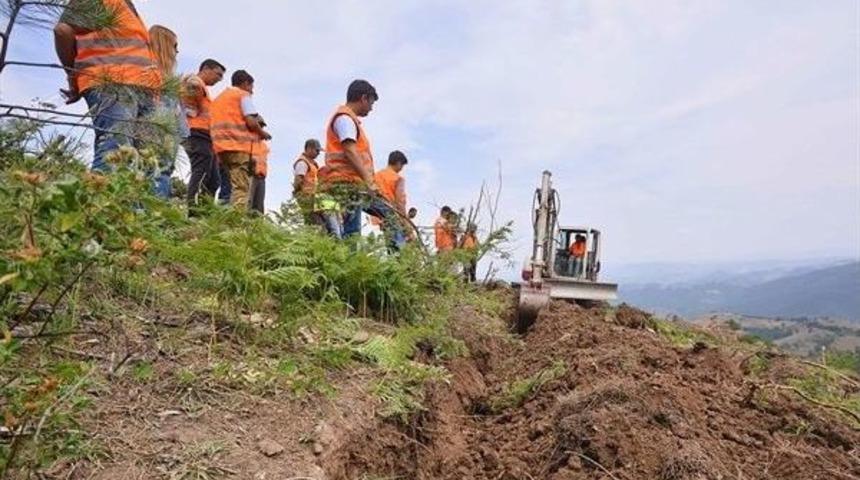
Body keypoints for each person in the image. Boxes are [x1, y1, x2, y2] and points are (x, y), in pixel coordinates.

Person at [54, 0, 162, 172]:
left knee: (142, 158)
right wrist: (72, 75)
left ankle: (124, 199)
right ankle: (99, 197)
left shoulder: (127, 7)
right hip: (112, 83)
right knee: (115, 149)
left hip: (142, 88)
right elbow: (62, 31)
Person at [320, 80, 405, 248]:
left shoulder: (350, 120)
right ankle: (352, 268)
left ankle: (398, 258)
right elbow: (350, 151)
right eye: (371, 102)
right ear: (364, 98)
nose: (372, 108)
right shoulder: (345, 119)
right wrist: (368, 181)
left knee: (388, 214)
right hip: (346, 184)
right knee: (351, 233)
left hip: (356, 185)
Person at [210, 70, 271, 210]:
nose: (252, 91)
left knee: (227, 186)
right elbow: (251, 121)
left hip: (220, 148)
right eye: (251, 87)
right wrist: (262, 133)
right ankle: (235, 223)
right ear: (245, 83)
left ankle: (220, 218)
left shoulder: (219, 98)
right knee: (241, 188)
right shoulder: (242, 95)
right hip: (237, 147)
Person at [147, 25, 187, 199]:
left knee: (162, 171)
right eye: (174, 46)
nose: (177, 52)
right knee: (157, 170)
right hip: (156, 129)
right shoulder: (149, 72)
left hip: (169, 131)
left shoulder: (169, 78)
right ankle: (152, 218)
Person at [181, 58, 226, 211]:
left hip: (206, 137)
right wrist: (190, 115)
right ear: (206, 68)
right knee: (201, 173)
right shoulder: (194, 82)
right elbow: (188, 106)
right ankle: (194, 212)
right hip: (196, 134)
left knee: (214, 180)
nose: (219, 79)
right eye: (217, 74)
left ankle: (205, 214)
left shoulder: (204, 88)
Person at [373, 150, 409, 245]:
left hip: (380, 215)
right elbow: (400, 201)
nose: (401, 169)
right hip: (393, 215)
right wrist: (405, 222)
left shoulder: (376, 176)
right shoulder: (398, 178)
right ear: (398, 163)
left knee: (390, 245)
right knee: (400, 247)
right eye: (402, 166)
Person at [250, 130, 269, 215]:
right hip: (250, 175)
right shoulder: (249, 141)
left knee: (259, 204)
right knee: (248, 201)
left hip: (261, 177)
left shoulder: (264, 146)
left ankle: (257, 225)